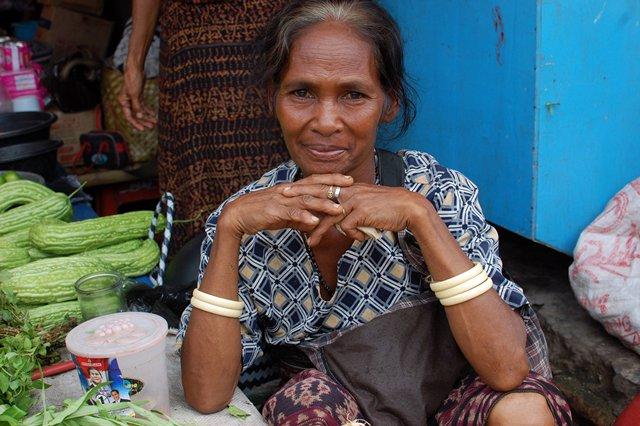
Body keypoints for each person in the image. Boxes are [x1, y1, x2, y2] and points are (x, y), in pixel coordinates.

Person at [178, 1, 573, 424]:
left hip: (456, 409)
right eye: (302, 92)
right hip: (342, 414)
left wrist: (420, 218)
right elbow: (206, 395)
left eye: (353, 95)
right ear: (272, 97)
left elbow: (506, 368)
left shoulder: (435, 191)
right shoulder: (247, 218)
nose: (326, 121)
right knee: (300, 404)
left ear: (389, 103)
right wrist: (229, 229)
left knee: (524, 410)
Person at [119, 0, 290, 249]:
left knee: (276, 152)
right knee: (193, 175)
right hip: (191, 42)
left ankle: (283, 264)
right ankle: (199, 272)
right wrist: (134, 63)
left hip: (267, 29)